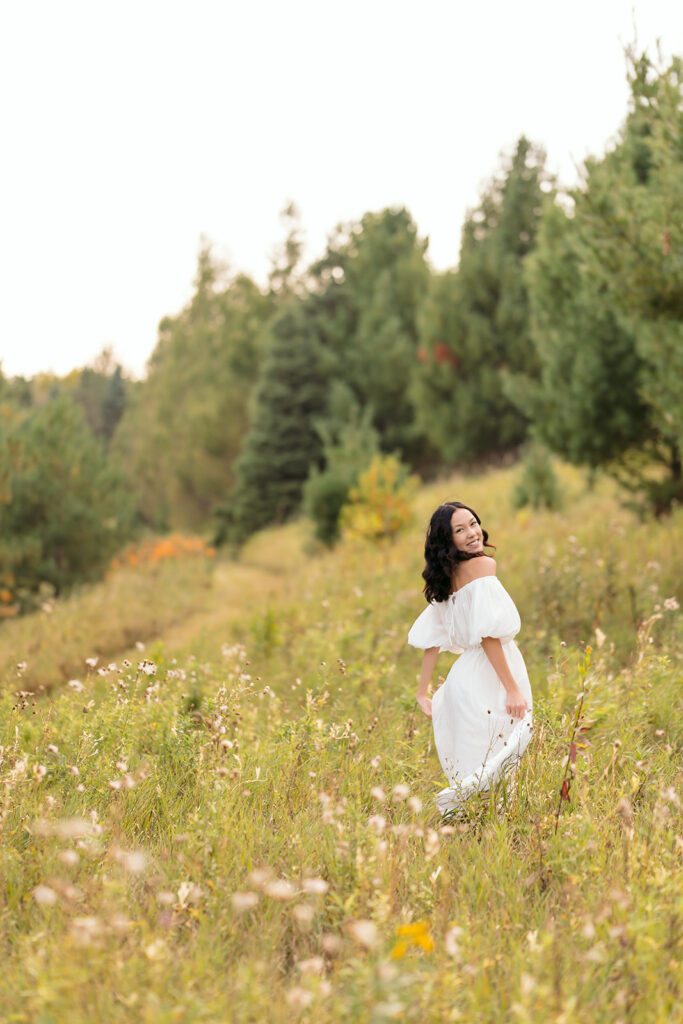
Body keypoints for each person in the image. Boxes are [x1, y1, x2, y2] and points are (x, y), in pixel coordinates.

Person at [408, 501, 533, 815]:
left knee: (482, 755)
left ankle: (474, 821)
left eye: (473, 523)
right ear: (447, 540)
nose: (472, 533)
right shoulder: (482, 567)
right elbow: (489, 636)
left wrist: (423, 692)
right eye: (459, 530)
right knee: (504, 749)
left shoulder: (444, 578)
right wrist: (512, 688)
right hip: (489, 672)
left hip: (462, 679)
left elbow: (431, 642)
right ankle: (490, 820)